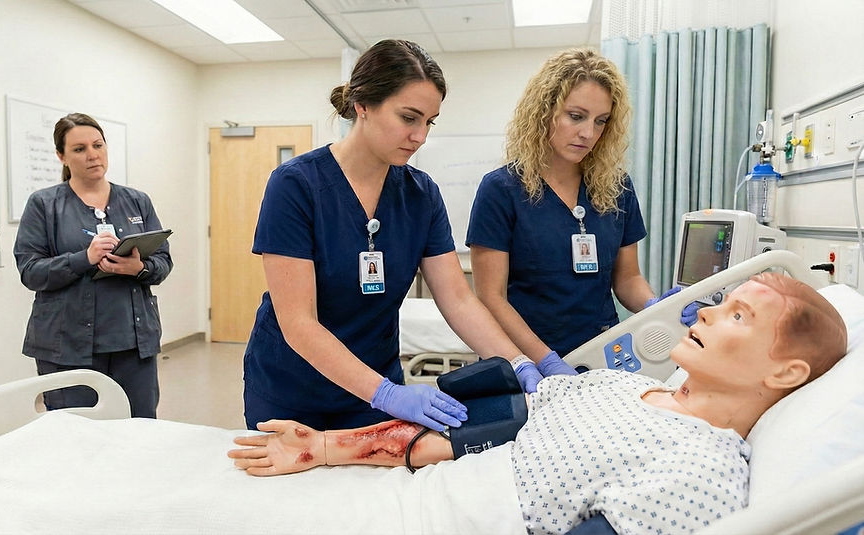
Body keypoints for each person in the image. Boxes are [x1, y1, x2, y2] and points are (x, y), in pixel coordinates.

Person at [229, 272, 847, 534]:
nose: (707, 308)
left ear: (786, 372)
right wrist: (327, 447)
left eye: (738, 314)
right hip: (424, 489)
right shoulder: (624, 386)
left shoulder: (700, 470)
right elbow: (489, 425)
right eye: (723, 299)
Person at [242, 39, 559, 434]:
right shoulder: (296, 185)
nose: (420, 135)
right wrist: (387, 394)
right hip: (293, 385)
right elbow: (298, 323)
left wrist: (517, 362)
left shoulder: (420, 194)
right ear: (363, 105)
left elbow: (458, 299)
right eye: (409, 117)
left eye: (430, 121)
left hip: (376, 379)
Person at [466, 48, 697, 379]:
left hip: (605, 355)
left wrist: (657, 306)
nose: (588, 133)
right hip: (524, 364)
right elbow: (491, 297)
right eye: (576, 116)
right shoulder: (501, 190)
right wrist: (544, 360)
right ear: (544, 112)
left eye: (600, 121)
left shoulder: (616, 187)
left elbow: (628, 278)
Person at [14, 113, 172, 418]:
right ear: (61, 156)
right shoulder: (44, 205)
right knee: (76, 434)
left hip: (133, 343)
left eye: (98, 145)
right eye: (79, 149)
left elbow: (163, 261)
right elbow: (30, 271)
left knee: (139, 429)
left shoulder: (137, 201)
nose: (92, 155)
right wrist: (83, 259)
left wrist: (137, 268)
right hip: (67, 346)